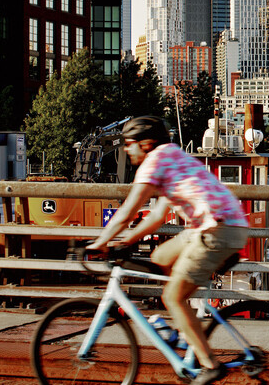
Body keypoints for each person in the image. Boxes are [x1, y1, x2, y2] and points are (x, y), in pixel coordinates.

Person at [88, 116, 249, 385]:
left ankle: (210, 365)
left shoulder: (154, 162)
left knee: (172, 297)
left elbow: (127, 211)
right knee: (159, 257)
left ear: (146, 143)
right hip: (216, 226)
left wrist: (99, 242)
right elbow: (157, 216)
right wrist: (126, 242)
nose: (126, 149)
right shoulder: (173, 157)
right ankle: (186, 331)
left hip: (217, 229)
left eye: (129, 144)